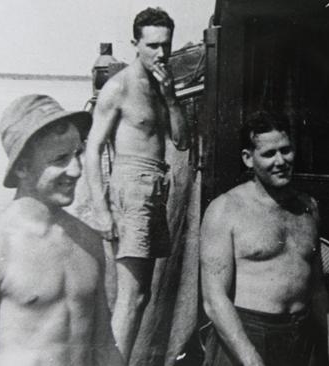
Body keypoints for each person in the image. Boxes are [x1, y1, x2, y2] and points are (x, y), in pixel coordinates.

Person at [0, 95, 124, 366]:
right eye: (60, 159)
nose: (77, 170)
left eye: (78, 154)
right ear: (22, 167)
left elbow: (105, 347)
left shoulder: (87, 242)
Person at [85, 7, 190, 360]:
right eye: (152, 45)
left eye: (166, 45)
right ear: (136, 44)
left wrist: (172, 98)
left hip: (156, 187)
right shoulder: (119, 86)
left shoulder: (163, 86)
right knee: (131, 298)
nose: (160, 54)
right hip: (131, 187)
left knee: (140, 295)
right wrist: (101, 210)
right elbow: (92, 150)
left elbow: (182, 141)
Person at [200, 111, 329, 366]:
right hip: (246, 338)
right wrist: (251, 359)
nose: (280, 161)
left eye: (286, 150)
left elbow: (318, 289)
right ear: (248, 158)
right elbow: (214, 300)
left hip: (301, 339)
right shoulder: (225, 209)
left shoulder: (307, 207)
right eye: (268, 154)